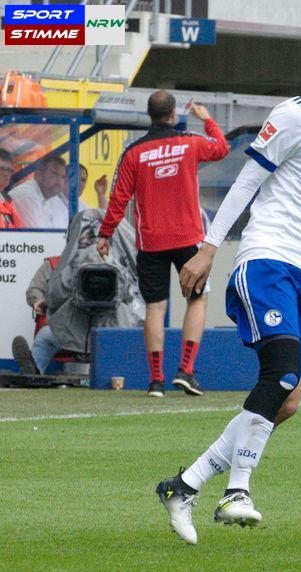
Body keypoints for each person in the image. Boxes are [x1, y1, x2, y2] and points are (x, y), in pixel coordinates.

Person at [155, 23, 301, 545]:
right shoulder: (295, 115)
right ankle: (237, 491)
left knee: (287, 401)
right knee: (280, 372)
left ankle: (183, 486)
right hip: (269, 260)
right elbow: (247, 182)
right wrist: (209, 247)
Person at [97, 90, 230, 397]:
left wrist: (105, 234)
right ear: (173, 115)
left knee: (155, 308)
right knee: (197, 299)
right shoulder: (190, 142)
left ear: (149, 115)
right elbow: (221, 148)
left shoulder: (134, 152)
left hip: (150, 242)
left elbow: (118, 198)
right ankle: (186, 370)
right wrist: (207, 119)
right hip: (188, 239)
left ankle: (156, 380)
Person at [11, 257, 61, 374]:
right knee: (45, 335)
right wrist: (38, 300)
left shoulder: (105, 264)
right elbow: (34, 289)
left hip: (97, 330)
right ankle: (32, 371)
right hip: (62, 328)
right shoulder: (53, 264)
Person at [9, 155, 79, 228]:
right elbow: (36, 233)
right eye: (54, 174)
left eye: (63, 177)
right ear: (40, 173)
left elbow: (67, 229)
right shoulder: (26, 195)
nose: (59, 181)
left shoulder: (54, 199)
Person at [0, 148, 23, 229]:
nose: (6, 174)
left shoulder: (9, 201)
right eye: (1, 169)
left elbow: (20, 231)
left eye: (9, 170)